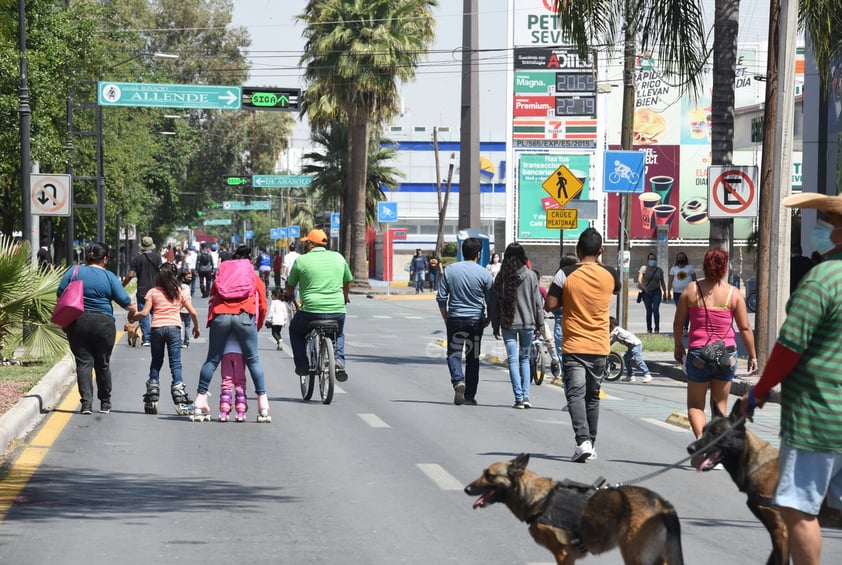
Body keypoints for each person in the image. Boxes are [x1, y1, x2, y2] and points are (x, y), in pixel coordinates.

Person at [740, 191, 842, 565]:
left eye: (830, 222)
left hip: (819, 416)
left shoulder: (824, 279)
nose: (825, 228)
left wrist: (759, 393)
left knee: (797, 508)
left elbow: (789, 347)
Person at [544, 228, 619, 462]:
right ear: (601, 250)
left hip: (574, 344)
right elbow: (614, 289)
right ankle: (591, 444)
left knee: (575, 394)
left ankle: (583, 440)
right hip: (600, 345)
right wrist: (600, 261)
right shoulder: (611, 274)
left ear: (577, 249)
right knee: (592, 396)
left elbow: (550, 305)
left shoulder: (565, 274)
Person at [674, 247, 758, 439]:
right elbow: (745, 328)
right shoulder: (733, 294)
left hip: (698, 354)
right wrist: (753, 356)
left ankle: (702, 442)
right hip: (726, 354)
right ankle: (715, 449)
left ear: (704, 266)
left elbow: (678, 323)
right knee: (719, 407)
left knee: (695, 406)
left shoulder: (691, 290)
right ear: (725, 268)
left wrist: (678, 345)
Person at [57, 242, 137, 414]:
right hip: (104, 323)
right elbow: (125, 302)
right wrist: (135, 312)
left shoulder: (75, 271)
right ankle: (105, 403)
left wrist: (65, 322)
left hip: (78, 321)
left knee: (84, 362)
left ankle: (86, 404)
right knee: (102, 363)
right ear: (105, 259)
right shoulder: (109, 276)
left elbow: (60, 293)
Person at [193, 245, 270, 422]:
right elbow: (263, 304)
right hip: (244, 316)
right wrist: (255, 325)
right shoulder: (253, 276)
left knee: (212, 360)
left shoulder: (223, 273)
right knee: (253, 360)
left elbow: (212, 297)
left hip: (221, 316)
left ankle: (200, 400)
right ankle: (263, 405)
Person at [132, 263, 201, 416]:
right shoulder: (178, 292)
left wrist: (133, 317)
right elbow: (193, 313)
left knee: (156, 362)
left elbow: (144, 313)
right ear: (175, 276)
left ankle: (152, 396)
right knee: (175, 363)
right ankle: (180, 397)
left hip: (157, 329)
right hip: (174, 329)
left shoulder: (153, 292)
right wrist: (196, 327)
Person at [286, 229, 353, 381]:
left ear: (310, 243)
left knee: (295, 330)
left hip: (310, 311)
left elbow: (290, 285)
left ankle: (302, 364)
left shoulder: (302, 260)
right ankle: (338, 361)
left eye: (306, 242)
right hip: (337, 309)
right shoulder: (338, 257)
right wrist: (345, 297)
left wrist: (289, 295)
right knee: (338, 334)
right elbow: (347, 281)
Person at [437, 237, 494, 406]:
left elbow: (441, 297)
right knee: (473, 357)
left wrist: (446, 317)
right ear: (478, 253)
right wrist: (489, 318)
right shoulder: (485, 273)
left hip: (455, 318)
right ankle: (469, 395)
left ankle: (458, 381)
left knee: (454, 354)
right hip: (476, 320)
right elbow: (490, 300)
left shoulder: (451, 270)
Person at [490, 243, 543, 409]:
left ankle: (518, 398)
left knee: (513, 361)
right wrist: (540, 324)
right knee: (524, 359)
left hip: (508, 324)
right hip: (528, 324)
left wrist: (495, 325)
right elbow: (537, 304)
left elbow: (495, 303)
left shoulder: (501, 277)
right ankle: (526, 396)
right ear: (523, 256)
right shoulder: (531, 275)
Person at [122, 236, 162, 346]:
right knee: (156, 313)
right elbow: (161, 273)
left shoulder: (137, 259)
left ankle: (147, 338)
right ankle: (157, 336)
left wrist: (122, 285)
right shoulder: (157, 258)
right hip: (156, 290)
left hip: (142, 291)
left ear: (142, 247)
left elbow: (130, 274)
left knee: (143, 314)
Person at [551, 253, 579, 387]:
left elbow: (550, 304)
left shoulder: (559, 277)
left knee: (564, 355)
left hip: (561, 321)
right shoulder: (577, 278)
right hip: (576, 322)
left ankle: (568, 385)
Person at [609, 316, 652, 383]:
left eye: (608, 326)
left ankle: (647, 374)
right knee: (625, 359)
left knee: (638, 360)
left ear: (612, 325)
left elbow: (610, 335)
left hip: (636, 345)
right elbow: (611, 342)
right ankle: (630, 376)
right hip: (631, 346)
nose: (608, 328)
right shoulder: (616, 334)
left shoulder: (617, 329)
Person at [218, 335, 247, 422]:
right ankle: (241, 411)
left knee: (226, 381)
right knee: (240, 382)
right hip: (240, 352)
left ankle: (224, 410)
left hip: (226, 351)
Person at [637, 252, 667, 333]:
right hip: (646, 293)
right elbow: (639, 281)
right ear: (648, 260)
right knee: (649, 311)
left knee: (656, 310)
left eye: (654, 259)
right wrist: (644, 288)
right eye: (651, 259)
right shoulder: (643, 269)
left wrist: (665, 292)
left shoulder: (659, 270)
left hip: (656, 292)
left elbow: (662, 282)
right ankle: (649, 329)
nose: (652, 261)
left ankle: (657, 328)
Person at [668, 252, 697, 333]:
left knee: (687, 310)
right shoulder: (673, 269)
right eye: (680, 257)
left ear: (685, 259)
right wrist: (668, 292)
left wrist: (696, 291)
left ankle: (685, 328)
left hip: (688, 292)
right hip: (677, 293)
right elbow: (670, 281)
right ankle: (680, 327)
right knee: (680, 310)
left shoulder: (690, 268)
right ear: (677, 259)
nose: (681, 259)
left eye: (683, 257)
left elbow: (694, 280)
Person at [178, 270, 193, 348]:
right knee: (187, 326)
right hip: (186, 308)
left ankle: (180, 341)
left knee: (181, 325)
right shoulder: (185, 287)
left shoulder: (181, 286)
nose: (190, 279)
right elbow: (185, 298)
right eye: (188, 277)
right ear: (183, 278)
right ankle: (186, 341)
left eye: (191, 277)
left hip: (182, 309)